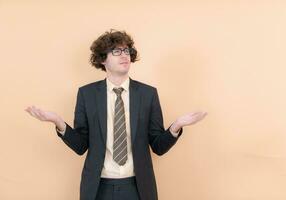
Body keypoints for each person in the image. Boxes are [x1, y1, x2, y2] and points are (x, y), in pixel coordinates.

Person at [25, 29, 207, 200]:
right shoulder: (87, 94)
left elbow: (158, 146)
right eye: (116, 51)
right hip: (98, 188)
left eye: (127, 50)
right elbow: (80, 145)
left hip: (138, 187)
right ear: (103, 59)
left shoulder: (148, 94)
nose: (125, 55)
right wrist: (58, 122)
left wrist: (176, 126)